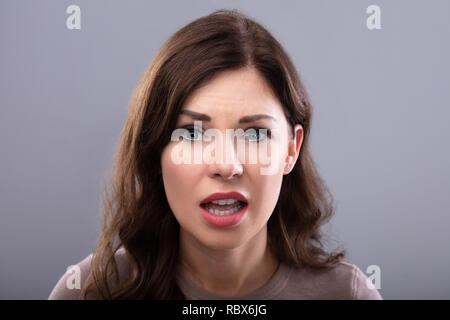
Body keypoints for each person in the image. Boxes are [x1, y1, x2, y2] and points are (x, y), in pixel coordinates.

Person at [49, 9, 382, 300]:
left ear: (291, 149)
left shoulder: (346, 295)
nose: (226, 165)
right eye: (192, 134)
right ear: (155, 151)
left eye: (254, 134)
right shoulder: (87, 292)